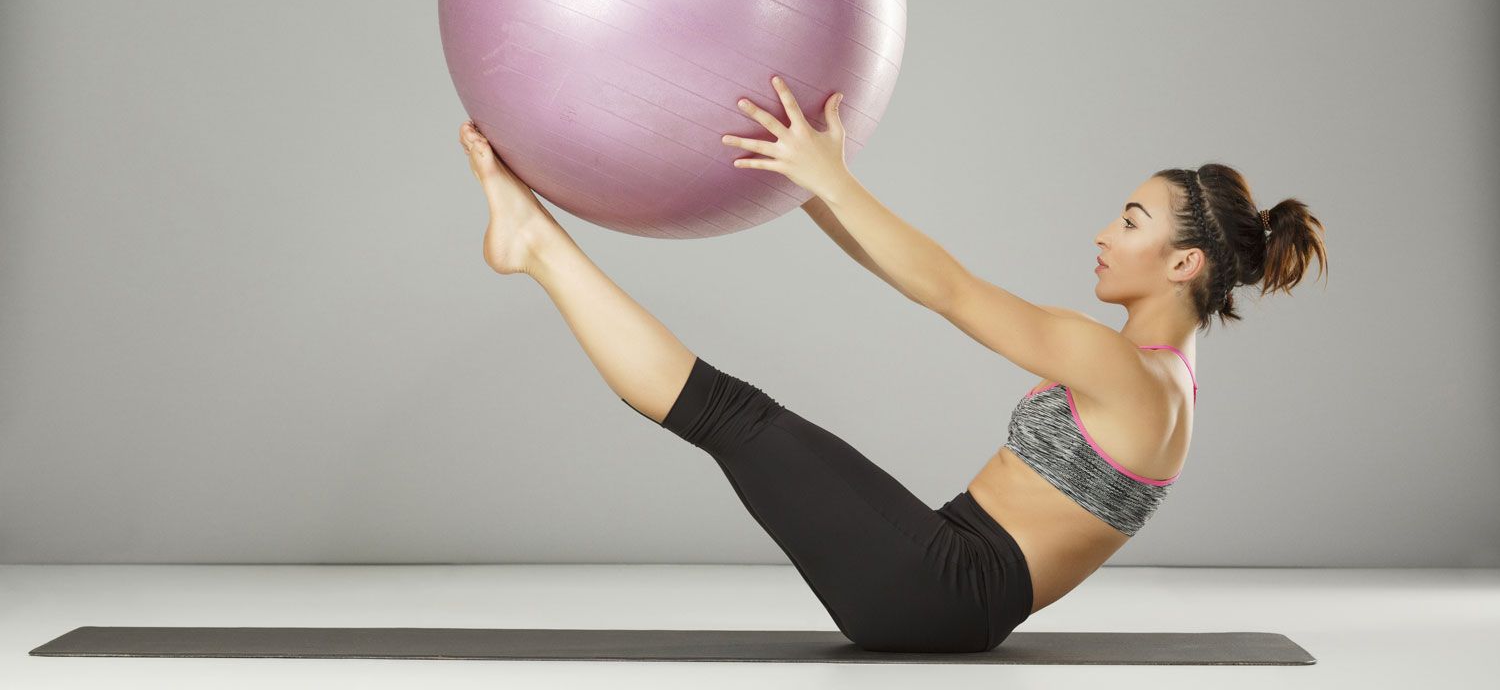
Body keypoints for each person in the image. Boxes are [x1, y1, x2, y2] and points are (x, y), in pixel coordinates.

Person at [454, 76, 1327, 654]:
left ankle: (534, 246)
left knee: (732, 417)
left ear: (1186, 264)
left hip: (942, 588)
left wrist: (832, 182)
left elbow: (946, 289)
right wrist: (802, 187)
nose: (1105, 233)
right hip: (950, 581)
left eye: (1133, 221)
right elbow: (918, 279)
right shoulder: (1161, 377)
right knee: (738, 420)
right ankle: (534, 245)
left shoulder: (1121, 369)